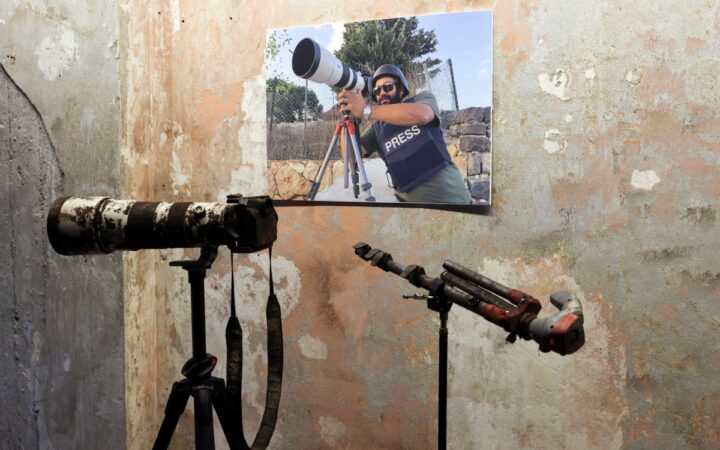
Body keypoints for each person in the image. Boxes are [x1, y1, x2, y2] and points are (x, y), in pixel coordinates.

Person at [338, 64, 472, 204]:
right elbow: (350, 155)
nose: (381, 93)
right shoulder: (376, 129)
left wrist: (365, 110)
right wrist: (349, 119)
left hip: (452, 200)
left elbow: (423, 115)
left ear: (401, 90)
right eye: (377, 90)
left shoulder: (421, 100)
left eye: (387, 87)